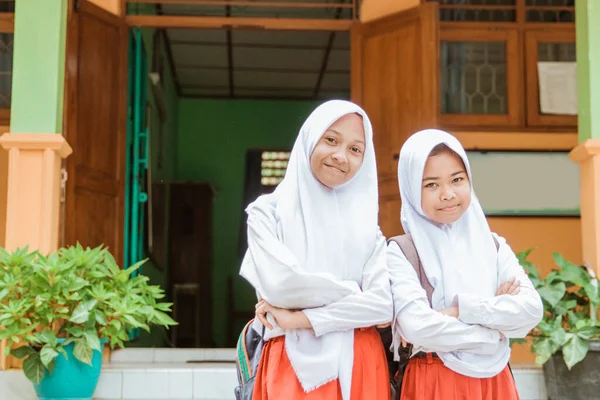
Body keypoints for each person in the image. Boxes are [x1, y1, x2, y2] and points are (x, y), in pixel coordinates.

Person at [240, 100, 392, 400]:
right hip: (289, 366)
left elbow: (383, 306)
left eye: (355, 149)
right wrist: (355, 295)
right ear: (310, 138)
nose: (341, 156)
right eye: (331, 140)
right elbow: (283, 287)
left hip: (360, 363)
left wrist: (298, 318)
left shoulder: (368, 231)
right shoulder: (266, 214)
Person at [388, 129, 543, 399]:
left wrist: (457, 311)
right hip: (433, 382)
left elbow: (530, 310)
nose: (447, 194)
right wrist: (494, 331)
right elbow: (417, 327)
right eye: (431, 185)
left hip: (496, 380)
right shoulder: (401, 251)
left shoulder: (494, 246)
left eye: (457, 179)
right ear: (411, 190)